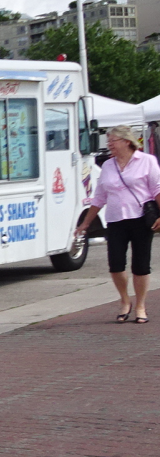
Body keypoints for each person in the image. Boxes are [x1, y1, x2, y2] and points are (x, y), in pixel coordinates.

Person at [76, 125, 160, 323]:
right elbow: (99, 197)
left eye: (112, 141)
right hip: (115, 219)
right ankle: (125, 300)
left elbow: (157, 189)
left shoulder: (146, 161)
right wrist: (85, 224)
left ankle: (140, 305)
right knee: (115, 265)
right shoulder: (107, 165)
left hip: (140, 218)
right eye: (108, 141)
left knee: (140, 265)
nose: (109, 145)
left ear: (126, 141)